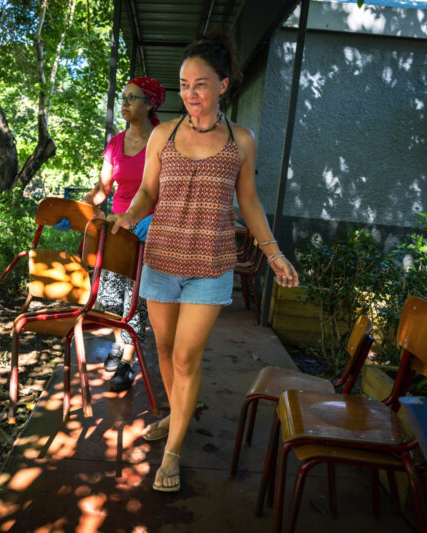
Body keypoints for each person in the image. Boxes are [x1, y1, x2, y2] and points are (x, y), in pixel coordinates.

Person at [107, 31, 299, 492]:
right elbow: (149, 191)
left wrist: (272, 252)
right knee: (166, 353)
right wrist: (129, 215)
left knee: (188, 358)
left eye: (201, 84)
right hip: (161, 258)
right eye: (184, 84)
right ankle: (178, 417)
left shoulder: (242, 140)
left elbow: (249, 202)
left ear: (224, 85)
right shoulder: (162, 134)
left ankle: (172, 452)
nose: (191, 94)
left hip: (210, 266)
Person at [54, 76, 166, 392]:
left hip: (148, 235)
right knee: (111, 299)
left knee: (135, 301)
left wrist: (155, 217)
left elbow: (170, 191)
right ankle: (118, 343)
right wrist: (75, 210)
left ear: (150, 104)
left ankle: (127, 362)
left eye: (133, 98)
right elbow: (103, 189)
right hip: (116, 231)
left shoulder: (163, 141)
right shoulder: (116, 143)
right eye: (124, 97)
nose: (125, 103)